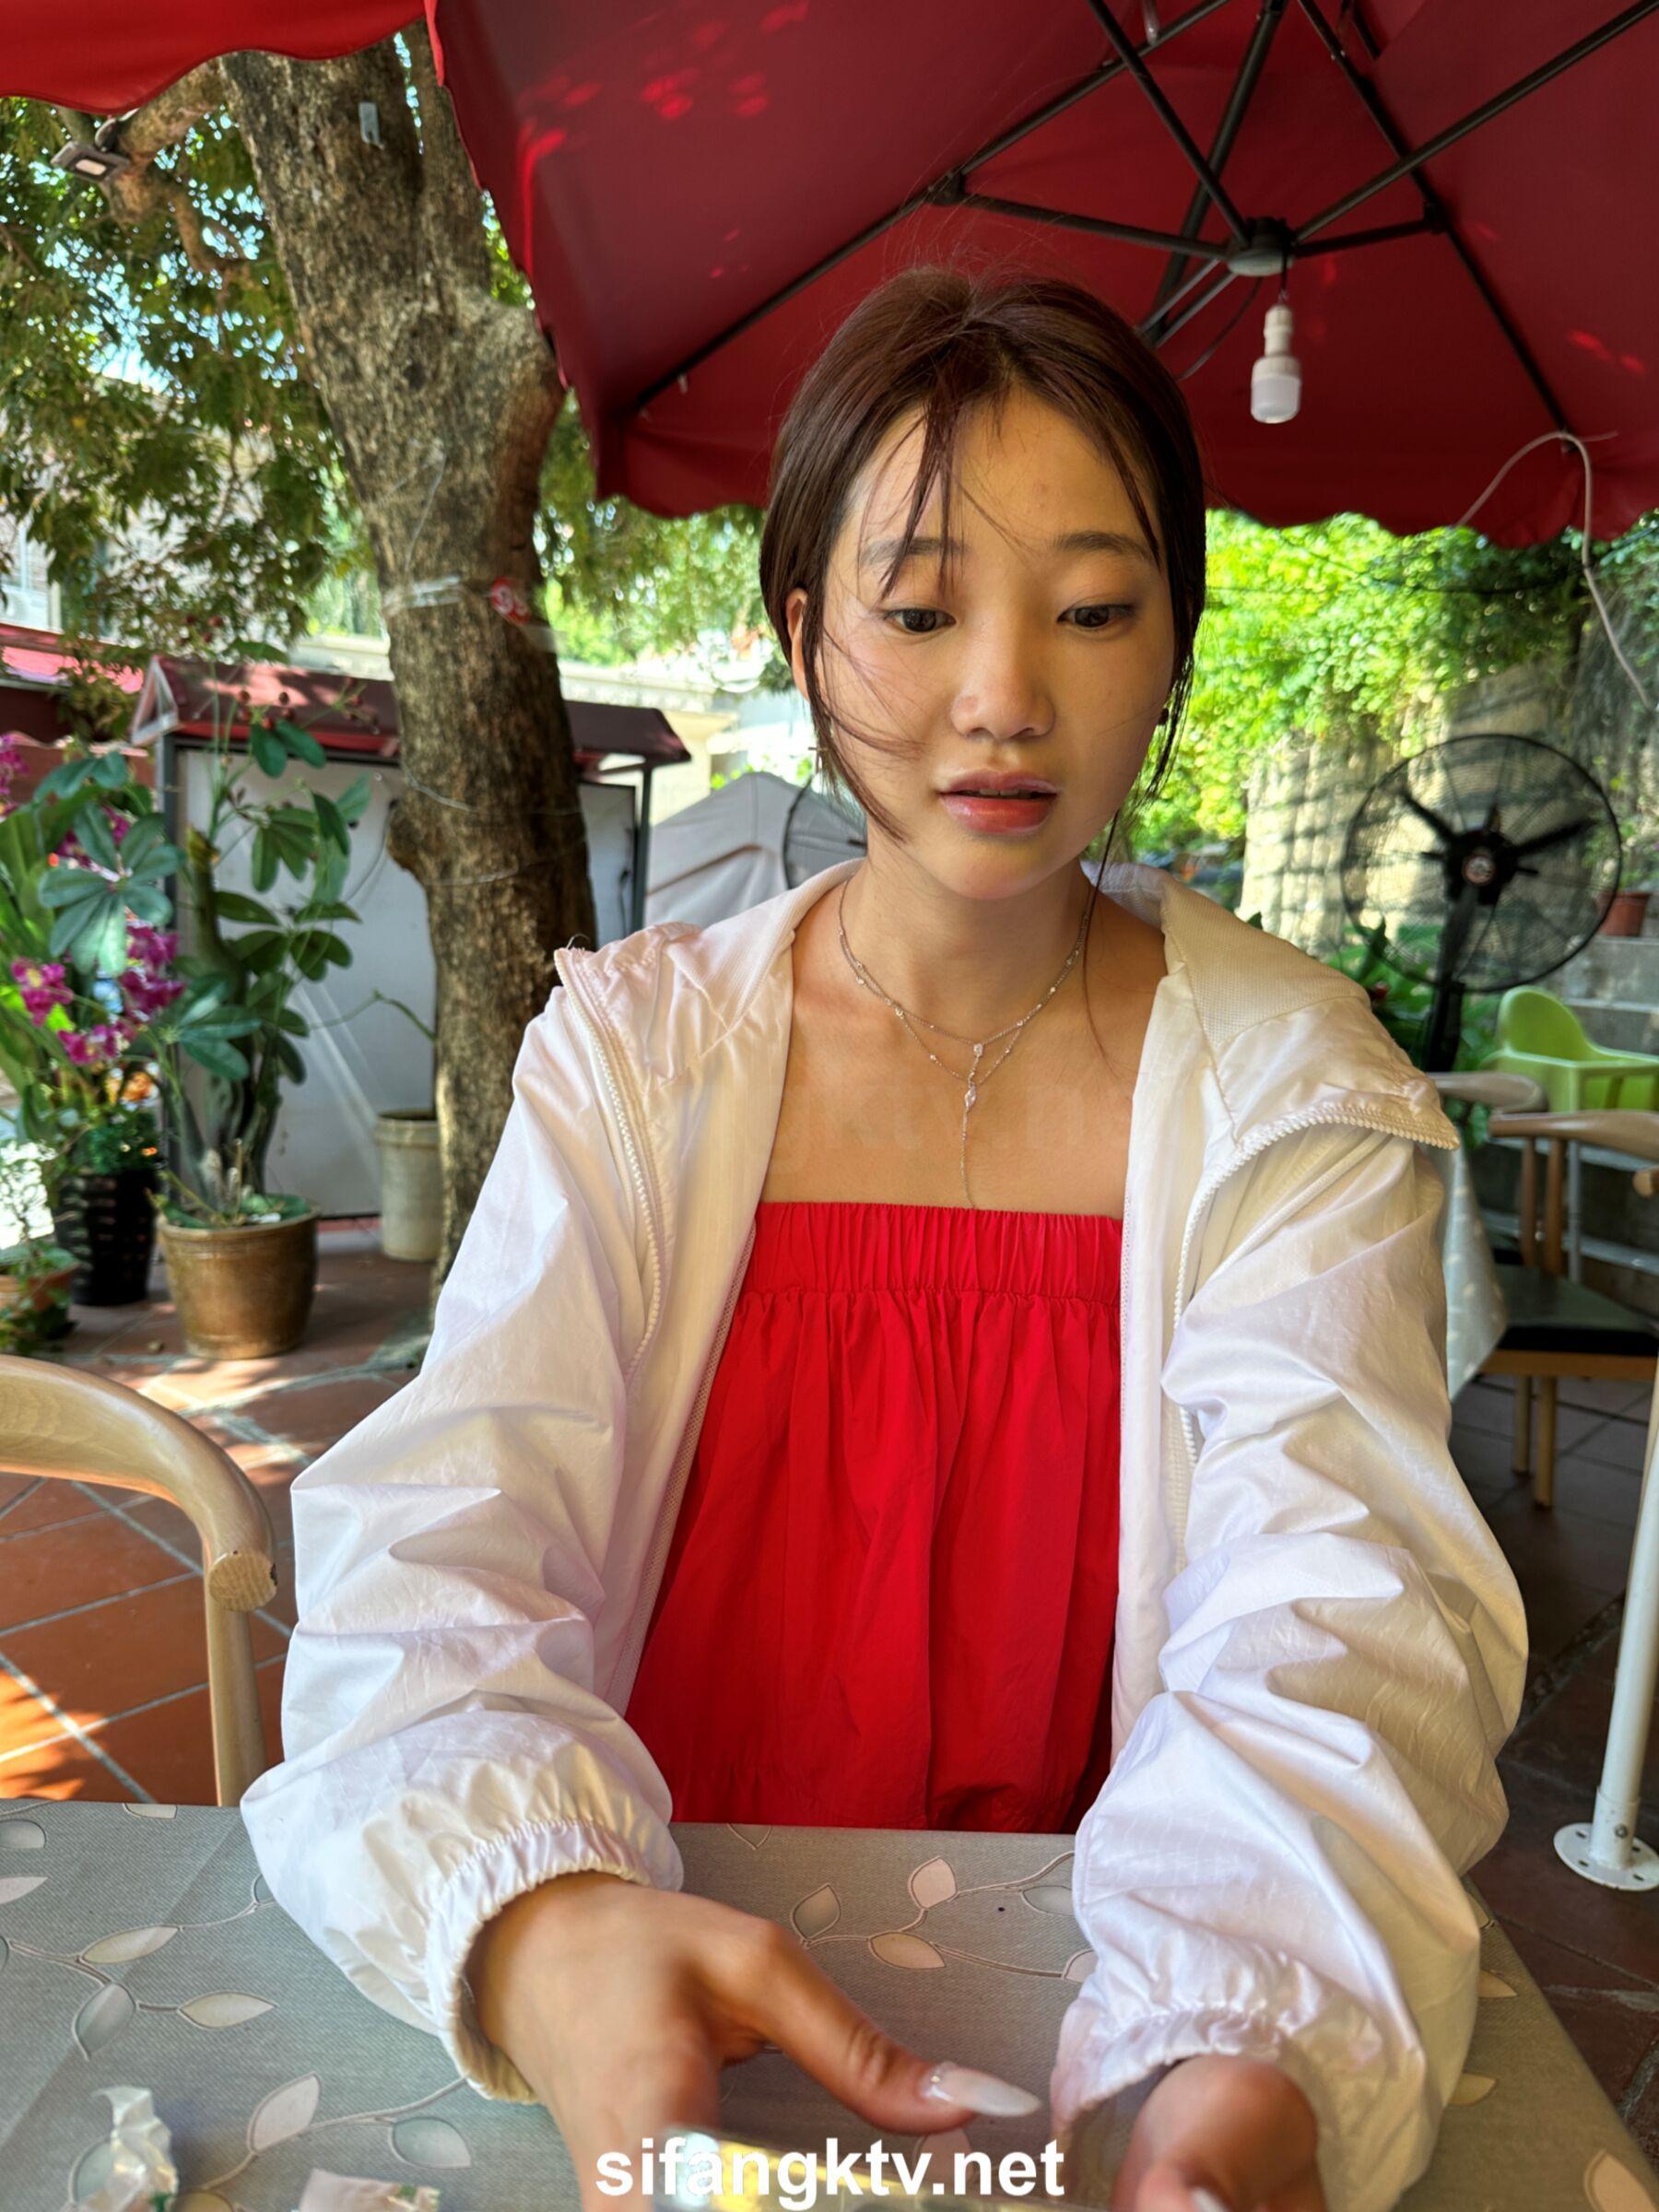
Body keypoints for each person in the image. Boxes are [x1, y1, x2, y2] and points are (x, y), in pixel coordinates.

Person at [239, 267, 1528, 2212]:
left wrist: (1242, 2036)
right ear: (802, 632)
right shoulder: (638, 1058)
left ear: (1174, 643)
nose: (1005, 695)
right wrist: (544, 1920)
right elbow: (440, 1546)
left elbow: (1337, 1606)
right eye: (919, 612)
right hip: (672, 1966)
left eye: (1094, 609)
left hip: (1113, 2012)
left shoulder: (1291, 1091)